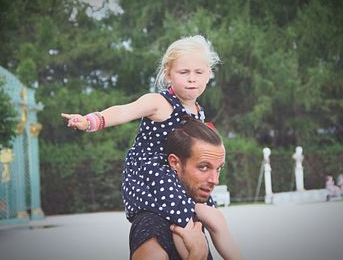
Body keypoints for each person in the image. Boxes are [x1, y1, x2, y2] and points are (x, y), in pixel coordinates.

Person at [61, 36, 241, 259]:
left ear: (209, 74)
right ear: (168, 74)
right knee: (184, 220)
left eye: (199, 72)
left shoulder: (198, 111)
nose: (192, 79)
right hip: (152, 172)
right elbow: (124, 111)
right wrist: (91, 121)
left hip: (178, 176)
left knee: (214, 218)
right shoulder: (159, 102)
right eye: (184, 72)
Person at [130, 117, 243, 259]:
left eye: (219, 169)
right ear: (175, 163)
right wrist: (196, 255)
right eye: (203, 167)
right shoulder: (152, 227)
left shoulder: (196, 209)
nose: (215, 180)